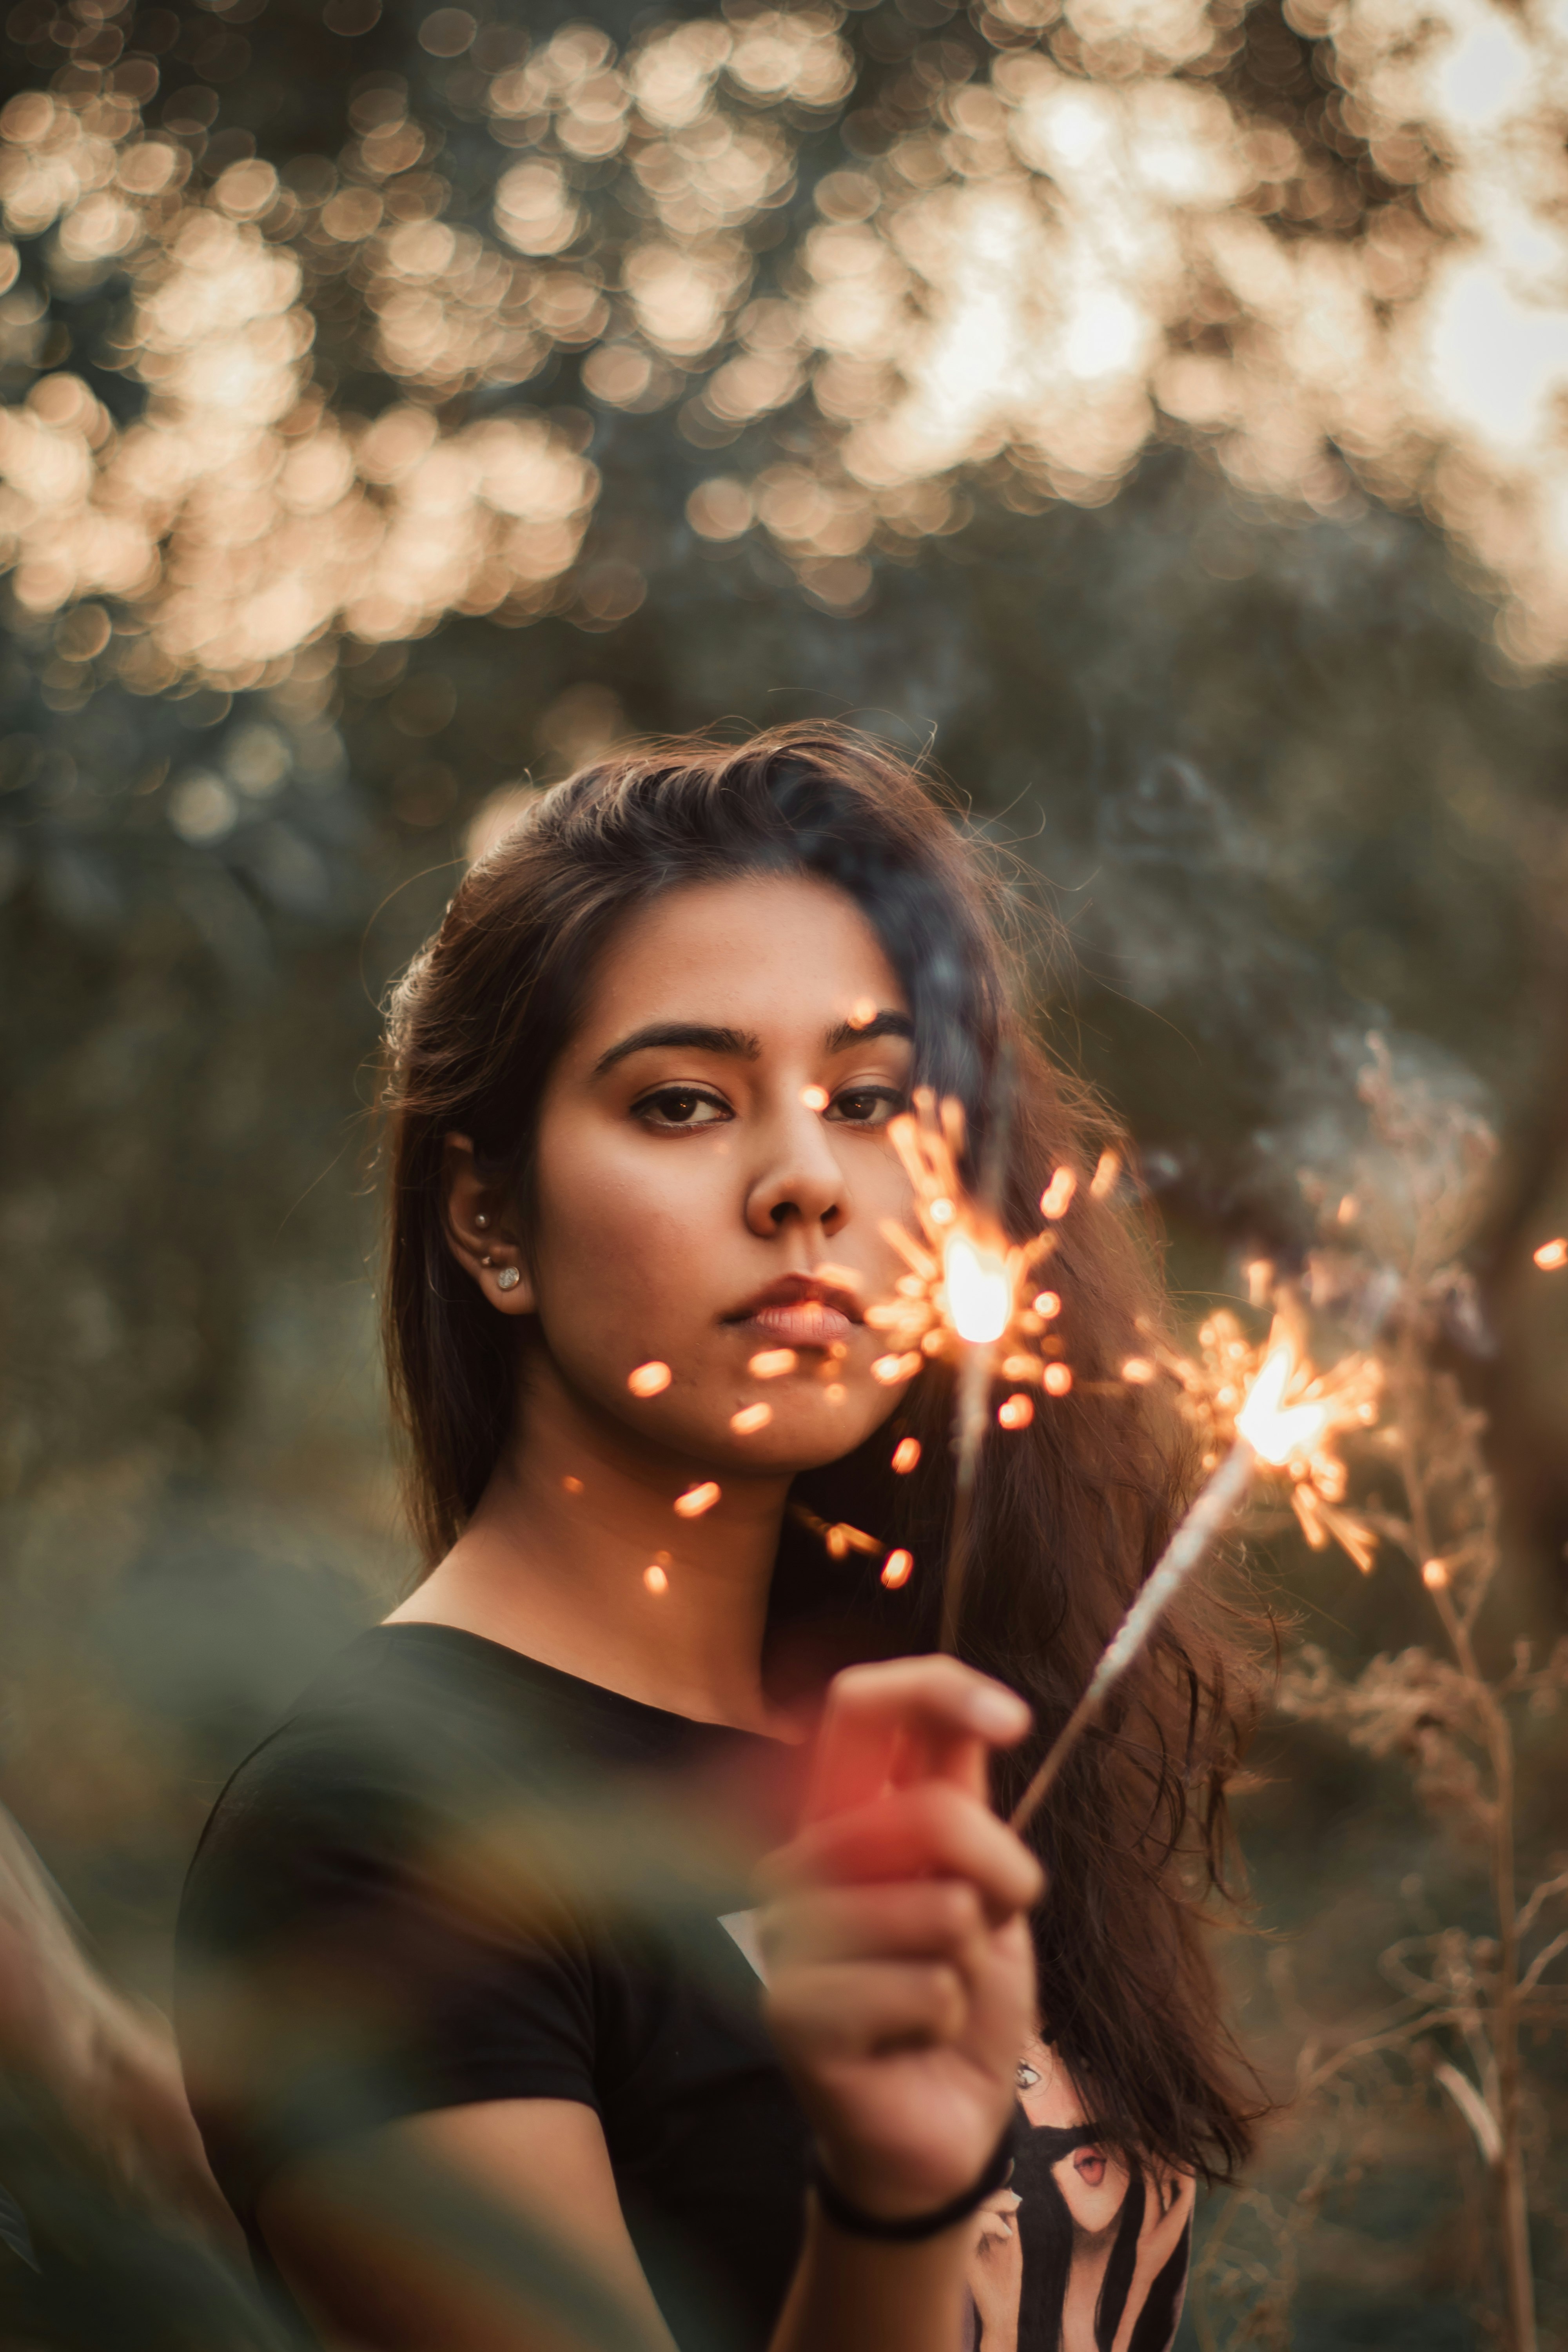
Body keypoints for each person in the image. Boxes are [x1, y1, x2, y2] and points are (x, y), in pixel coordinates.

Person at [175, 725, 1262, 2352]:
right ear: (490, 1221)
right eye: (683, 1103)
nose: (803, 1182)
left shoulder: (932, 1727)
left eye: (872, 1098)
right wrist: (887, 2206)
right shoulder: (379, 1832)